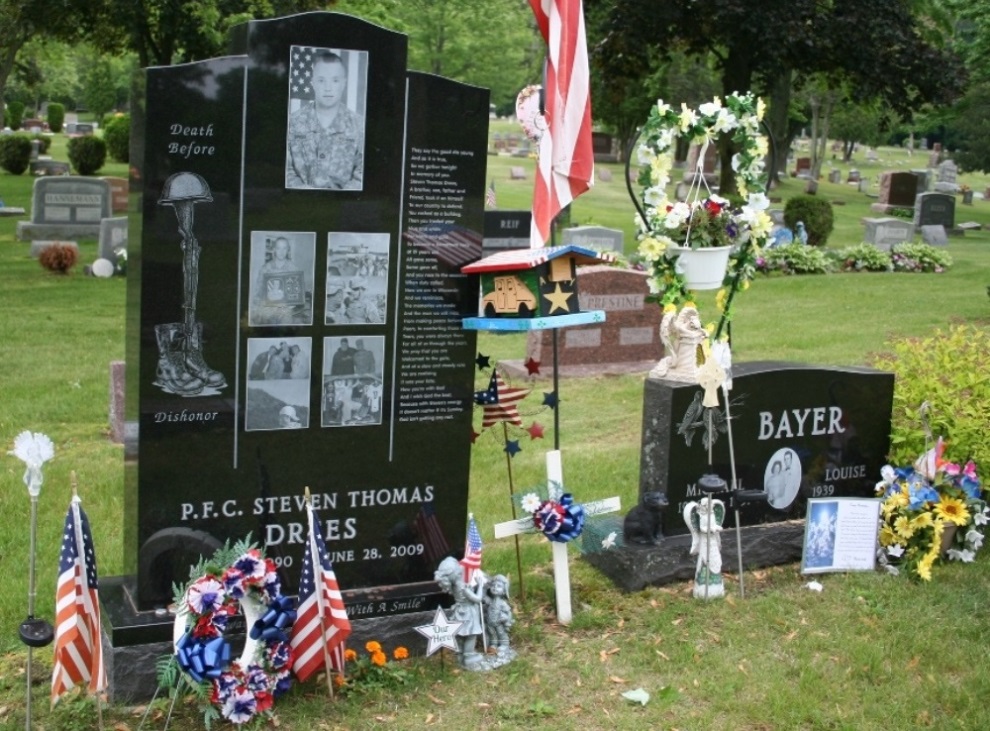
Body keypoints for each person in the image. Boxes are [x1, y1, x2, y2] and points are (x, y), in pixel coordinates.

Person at [285, 51, 364, 190]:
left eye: (335, 80)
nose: (328, 88)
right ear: (313, 82)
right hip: (299, 203)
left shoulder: (359, 125)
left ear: (343, 83)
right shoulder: (293, 123)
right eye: (321, 80)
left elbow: (362, 174)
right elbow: (285, 170)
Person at [434, 557, 485, 669]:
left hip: (459, 612)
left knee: (461, 635)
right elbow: (477, 599)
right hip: (468, 612)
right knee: (471, 635)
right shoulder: (463, 587)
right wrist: (480, 585)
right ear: (457, 573)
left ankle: (461, 655)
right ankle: (469, 657)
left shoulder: (453, 586)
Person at [252, 237, 304, 325]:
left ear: (288, 250)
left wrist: (294, 303)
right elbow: (258, 292)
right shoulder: (265, 269)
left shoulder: (294, 269)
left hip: (285, 309)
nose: (281, 252)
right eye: (278, 248)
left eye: (284, 248)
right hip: (268, 308)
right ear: (274, 249)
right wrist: (260, 306)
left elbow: (297, 294)